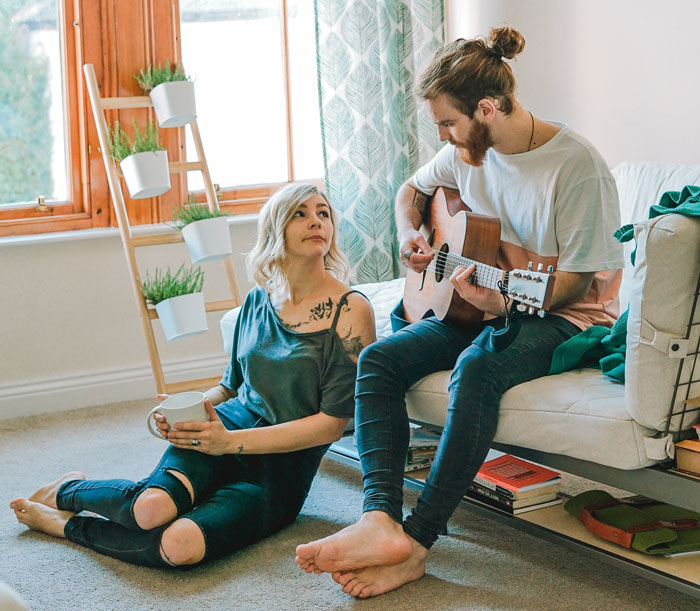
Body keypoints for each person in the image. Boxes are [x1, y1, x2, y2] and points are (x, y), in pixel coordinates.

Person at [296, 26, 624, 597]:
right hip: (480, 304)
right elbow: (410, 191)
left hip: (563, 316)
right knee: (377, 361)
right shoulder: (465, 153)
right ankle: (378, 517)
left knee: (476, 368)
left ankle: (415, 543)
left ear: (488, 108)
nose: (443, 136)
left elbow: (576, 282)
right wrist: (409, 235)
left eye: (448, 122)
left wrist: (504, 301)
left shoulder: (576, 167)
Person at [10, 183, 375, 569]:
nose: (316, 221)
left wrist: (229, 443)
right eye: (300, 213)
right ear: (276, 229)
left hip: (280, 468)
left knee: (179, 546)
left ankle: (65, 526)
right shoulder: (257, 299)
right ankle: (70, 489)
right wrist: (184, 409)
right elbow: (229, 387)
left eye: (323, 213)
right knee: (150, 510)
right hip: (222, 429)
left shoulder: (350, 310)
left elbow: (331, 426)